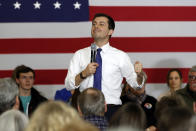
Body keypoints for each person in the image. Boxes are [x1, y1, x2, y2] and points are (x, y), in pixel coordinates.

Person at [65, 13, 145, 120]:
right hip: (86, 109)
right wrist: (83, 74)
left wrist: (139, 75)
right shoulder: (80, 54)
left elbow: (137, 85)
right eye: (94, 24)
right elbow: (69, 85)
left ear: (110, 31)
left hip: (112, 110)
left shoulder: (120, 56)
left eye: (101, 24)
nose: (96, 27)